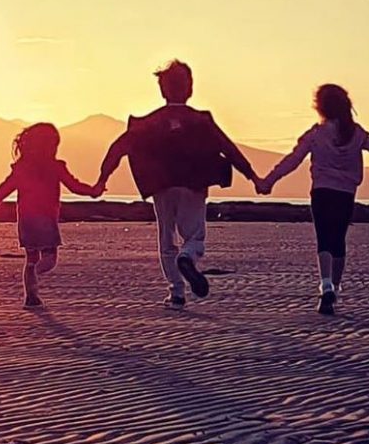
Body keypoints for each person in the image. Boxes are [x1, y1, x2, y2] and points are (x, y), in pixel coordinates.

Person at [95, 60, 260, 308]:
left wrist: (102, 179)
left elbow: (118, 148)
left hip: (161, 186)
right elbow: (229, 148)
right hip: (193, 185)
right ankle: (188, 257)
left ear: (162, 91)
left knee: (167, 238)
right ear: (190, 88)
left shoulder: (148, 122)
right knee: (194, 236)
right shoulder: (201, 120)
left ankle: (177, 292)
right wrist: (253, 176)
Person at [256, 84, 369, 315]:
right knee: (338, 240)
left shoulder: (315, 134)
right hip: (345, 193)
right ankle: (335, 290)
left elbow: (292, 160)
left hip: (321, 191)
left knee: (323, 239)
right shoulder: (357, 133)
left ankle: (326, 285)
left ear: (320, 107)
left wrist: (269, 181)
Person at [0, 123, 102, 308]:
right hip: (46, 218)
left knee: (31, 258)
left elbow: (3, 190)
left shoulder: (21, 169)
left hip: (26, 220)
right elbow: (74, 186)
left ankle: (31, 296)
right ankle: (35, 276)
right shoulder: (55, 167)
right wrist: (93, 191)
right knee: (49, 259)